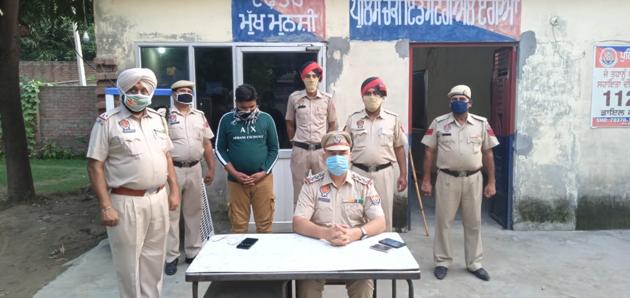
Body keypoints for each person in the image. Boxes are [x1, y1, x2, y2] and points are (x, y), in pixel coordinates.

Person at [86, 68, 180, 298]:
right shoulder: (108, 122)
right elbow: (94, 165)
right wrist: (106, 206)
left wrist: (174, 190)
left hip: (158, 198)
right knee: (129, 265)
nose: (139, 93)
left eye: (143, 89)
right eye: (133, 89)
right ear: (123, 91)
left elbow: (167, 156)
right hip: (126, 201)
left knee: (154, 260)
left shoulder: (157, 120)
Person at [420, 85, 499, 281]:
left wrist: (492, 182)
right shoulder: (439, 123)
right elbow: (429, 152)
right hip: (447, 178)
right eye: (454, 99)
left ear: (470, 103)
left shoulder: (481, 124)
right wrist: (427, 180)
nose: (458, 102)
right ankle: (442, 261)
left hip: (474, 179)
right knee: (443, 222)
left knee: (473, 222)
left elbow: (488, 153)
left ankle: (474, 262)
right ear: (450, 102)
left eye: (462, 99)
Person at [293, 131, 385, 298]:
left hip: (354, 249)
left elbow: (380, 221)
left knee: (364, 285)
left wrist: (355, 233)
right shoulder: (311, 184)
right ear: (324, 155)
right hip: (318, 249)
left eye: (342, 153)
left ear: (350, 155)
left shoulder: (364, 185)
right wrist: (325, 233)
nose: (337, 157)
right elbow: (298, 221)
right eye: (332, 153)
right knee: (306, 286)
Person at [162, 80, 215, 275]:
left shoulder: (199, 116)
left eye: (189, 91)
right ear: (174, 94)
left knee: (194, 212)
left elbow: (207, 144)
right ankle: (172, 256)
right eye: (182, 91)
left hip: (195, 169)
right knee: (172, 213)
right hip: (173, 170)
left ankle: (193, 252)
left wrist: (211, 169)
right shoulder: (164, 116)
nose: (186, 93)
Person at [344, 77, 407, 232]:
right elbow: (345, 147)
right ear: (362, 96)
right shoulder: (353, 119)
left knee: (384, 215)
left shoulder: (393, 119)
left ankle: (383, 249)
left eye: (375, 93)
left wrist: (403, 174)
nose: (372, 96)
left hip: (384, 173)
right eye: (368, 93)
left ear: (382, 96)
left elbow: (399, 148)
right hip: (358, 173)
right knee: (357, 212)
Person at [215, 84, 279, 233]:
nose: (248, 110)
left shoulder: (266, 119)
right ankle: (240, 256)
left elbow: (274, 150)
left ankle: (262, 256)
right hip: (236, 182)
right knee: (238, 225)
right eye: (244, 107)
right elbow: (219, 149)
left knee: (265, 225)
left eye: (252, 106)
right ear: (236, 103)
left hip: (263, 180)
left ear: (256, 101)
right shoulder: (226, 120)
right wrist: (235, 173)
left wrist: (263, 172)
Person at [286, 61, 337, 205]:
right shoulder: (294, 98)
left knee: (324, 191)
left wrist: (327, 145)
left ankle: (321, 225)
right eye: (307, 76)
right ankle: (300, 225)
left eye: (314, 76)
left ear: (319, 78)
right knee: (299, 192)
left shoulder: (327, 99)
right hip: (300, 150)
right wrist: (293, 142)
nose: (311, 79)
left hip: (320, 151)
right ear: (302, 78)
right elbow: (289, 121)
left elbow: (333, 124)